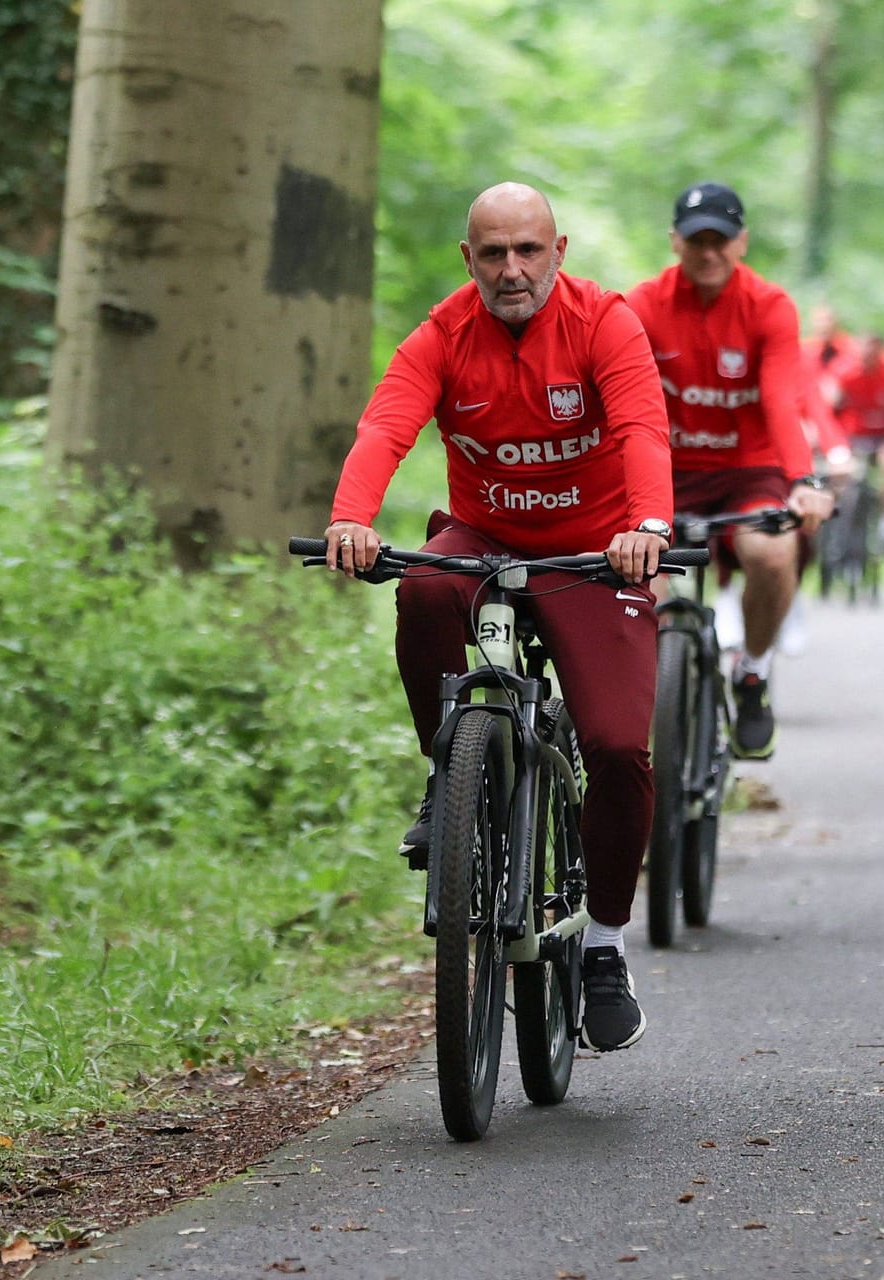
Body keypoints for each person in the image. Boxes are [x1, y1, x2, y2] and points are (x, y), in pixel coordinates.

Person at [323, 183, 671, 1053]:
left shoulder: (604, 324)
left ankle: (603, 947)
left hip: (596, 554)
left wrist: (646, 527)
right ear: (467, 258)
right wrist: (350, 518)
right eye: (492, 253)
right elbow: (385, 428)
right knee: (428, 584)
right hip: (485, 538)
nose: (511, 270)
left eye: (527, 251)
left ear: (559, 250)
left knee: (621, 747)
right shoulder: (443, 334)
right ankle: (453, 772)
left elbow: (640, 430)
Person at [626, 182, 834, 760]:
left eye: (721, 240)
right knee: (634, 585)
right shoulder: (642, 306)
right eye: (697, 241)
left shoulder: (768, 306)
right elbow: (619, 398)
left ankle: (753, 671)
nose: (710, 252)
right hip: (664, 471)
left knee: (771, 554)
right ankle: (647, 706)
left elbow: (780, 402)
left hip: (749, 470)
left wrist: (802, 481)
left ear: (742, 242)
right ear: (675, 243)